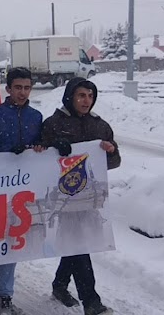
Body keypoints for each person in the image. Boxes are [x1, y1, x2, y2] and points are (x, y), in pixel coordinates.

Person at [42, 77, 119, 315]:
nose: (86, 101)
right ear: (70, 96)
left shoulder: (100, 125)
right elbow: (38, 159)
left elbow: (114, 162)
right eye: (81, 95)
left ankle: (60, 284)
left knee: (76, 244)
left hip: (90, 197)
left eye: (90, 96)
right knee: (79, 246)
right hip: (64, 199)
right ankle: (92, 302)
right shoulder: (53, 123)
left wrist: (110, 151)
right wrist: (55, 148)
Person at [0, 67, 44, 315]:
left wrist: (39, 147)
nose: (22, 92)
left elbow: (42, 146)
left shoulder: (36, 116)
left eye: (27, 87)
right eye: (17, 87)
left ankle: (3, 293)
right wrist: (8, 151)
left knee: (13, 239)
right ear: (8, 89)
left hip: (24, 190)